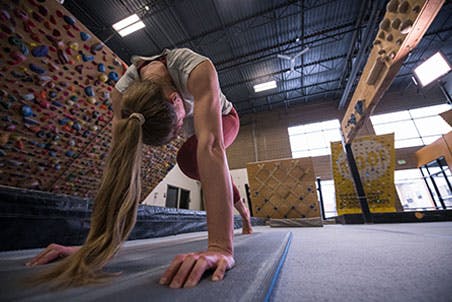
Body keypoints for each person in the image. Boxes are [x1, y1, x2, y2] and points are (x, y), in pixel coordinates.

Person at [26, 48, 253, 289]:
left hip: (226, 117)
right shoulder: (121, 96)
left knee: (191, 156)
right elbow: (119, 168)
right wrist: (96, 245)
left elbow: (211, 148)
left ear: (177, 100)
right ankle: (236, 199)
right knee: (189, 156)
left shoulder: (195, 68)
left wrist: (220, 248)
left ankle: (245, 215)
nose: (179, 131)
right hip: (192, 123)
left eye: (177, 127)